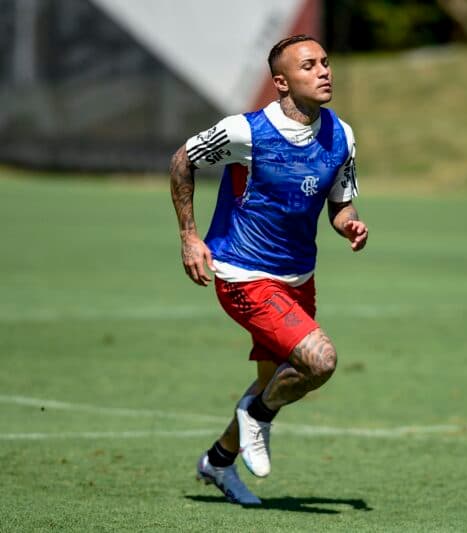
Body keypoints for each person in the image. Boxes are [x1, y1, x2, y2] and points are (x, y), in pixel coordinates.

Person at [168, 34, 368, 506]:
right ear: (281, 82)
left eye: (325, 62)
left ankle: (218, 462)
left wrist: (349, 224)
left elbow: (339, 203)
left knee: (271, 381)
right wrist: (189, 237)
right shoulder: (244, 132)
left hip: (298, 277)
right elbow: (183, 160)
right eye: (309, 66)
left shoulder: (342, 134)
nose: (324, 71)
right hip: (242, 273)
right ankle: (257, 416)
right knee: (318, 361)